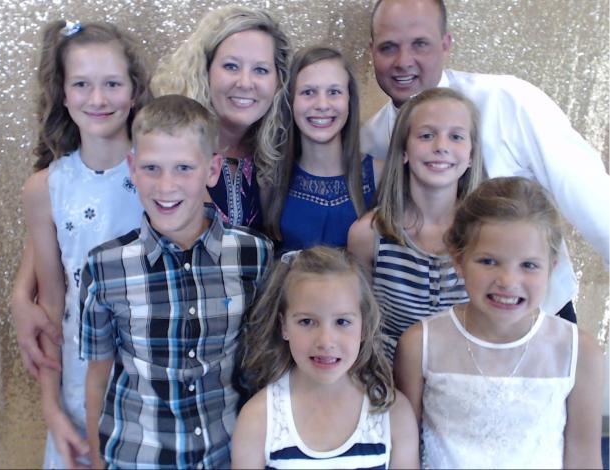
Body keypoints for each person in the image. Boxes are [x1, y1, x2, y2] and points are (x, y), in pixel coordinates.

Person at [361, 0, 610, 321]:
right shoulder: (371, 141)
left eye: (420, 44)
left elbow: (593, 200)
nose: (403, 61)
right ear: (372, 51)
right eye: (388, 47)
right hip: (430, 337)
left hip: (536, 320)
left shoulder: (509, 101)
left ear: (445, 44)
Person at [81, 95, 273, 469]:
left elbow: (261, 366)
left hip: (227, 455)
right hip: (138, 458)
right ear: (132, 168)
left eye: (184, 168)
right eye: (151, 168)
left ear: (212, 169)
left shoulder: (254, 255)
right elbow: (97, 377)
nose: (166, 185)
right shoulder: (104, 266)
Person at [394, 176, 604, 468]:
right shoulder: (420, 344)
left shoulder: (580, 353)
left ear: (551, 268)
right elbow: (405, 452)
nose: (507, 280)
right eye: (489, 261)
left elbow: (584, 459)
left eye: (528, 265)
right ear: (459, 260)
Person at [19, 20, 151, 469]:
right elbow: (52, 305)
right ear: (62, 93)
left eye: (112, 83)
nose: (98, 99)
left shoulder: (162, 176)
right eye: (81, 84)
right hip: (78, 392)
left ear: (134, 90)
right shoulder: (45, 189)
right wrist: (51, 406)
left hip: (152, 390)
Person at [232, 246, 419, 469]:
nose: (325, 341)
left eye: (342, 322)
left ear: (364, 326)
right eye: (307, 322)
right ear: (284, 326)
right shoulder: (258, 419)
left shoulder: (393, 413)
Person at [348, 87, 484, 359]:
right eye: (426, 135)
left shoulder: (488, 235)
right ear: (403, 150)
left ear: (471, 155)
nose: (441, 146)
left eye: (456, 136)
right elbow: (358, 325)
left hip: (466, 375)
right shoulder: (368, 234)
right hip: (387, 377)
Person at [151, 5, 291, 231]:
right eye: (231, 66)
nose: (245, 83)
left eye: (261, 70)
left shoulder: (282, 152)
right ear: (205, 71)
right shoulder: (163, 144)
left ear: (278, 81)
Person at [262, 46, 378, 253]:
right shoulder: (271, 181)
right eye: (308, 92)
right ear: (290, 101)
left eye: (334, 92)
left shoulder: (381, 176)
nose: (322, 104)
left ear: (349, 100)